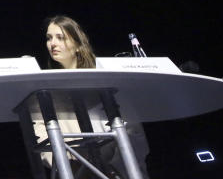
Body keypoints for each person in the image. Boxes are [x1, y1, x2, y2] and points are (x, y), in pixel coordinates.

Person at [37, 15, 149, 178]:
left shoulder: (106, 79)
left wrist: (116, 170)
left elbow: (133, 132)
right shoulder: (45, 89)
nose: (52, 43)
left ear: (77, 44)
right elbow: (41, 135)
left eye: (60, 38)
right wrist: (67, 165)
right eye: (49, 38)